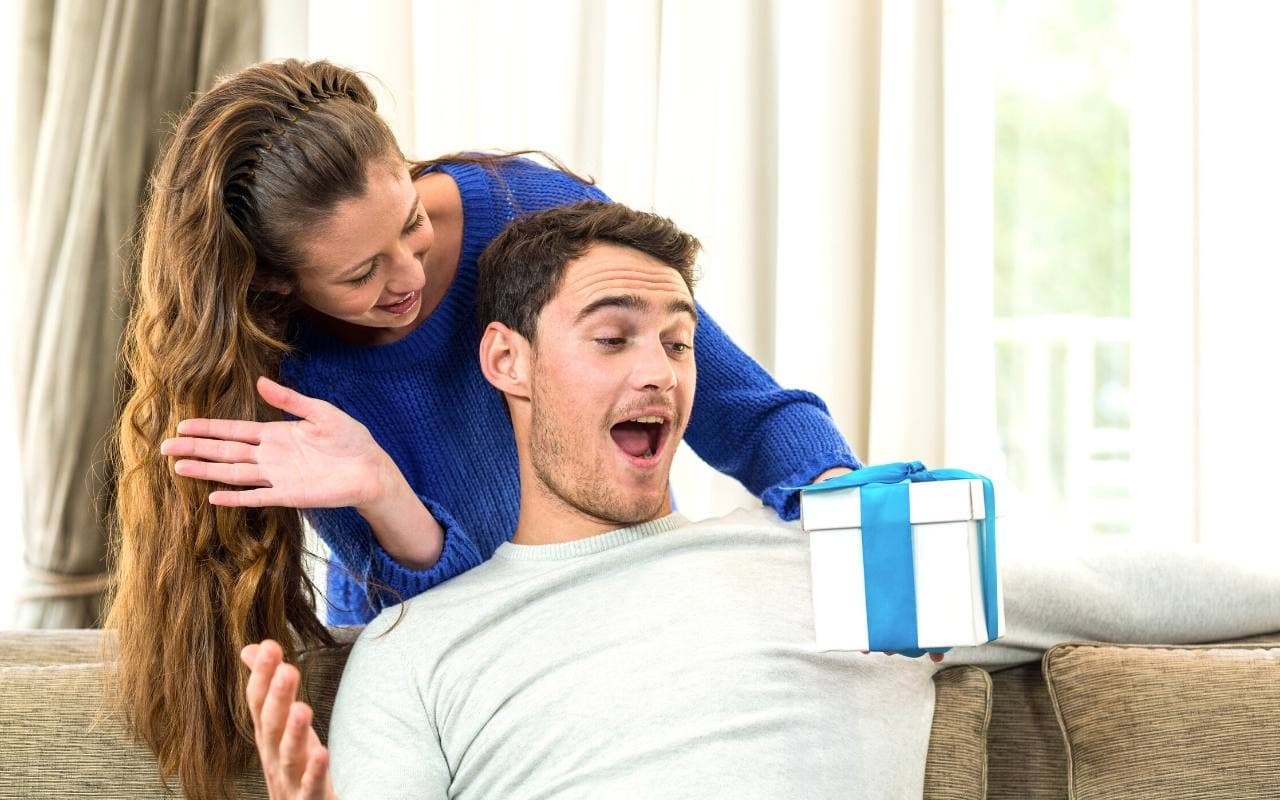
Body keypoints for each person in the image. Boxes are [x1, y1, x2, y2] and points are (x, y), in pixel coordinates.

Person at [240, 202, 1280, 799]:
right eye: (613, 337)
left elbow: (1121, 585)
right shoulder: (416, 648)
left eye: (678, 341)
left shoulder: (833, 557)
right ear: (507, 360)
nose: (659, 371)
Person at [106, 60, 859, 798]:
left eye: (413, 224)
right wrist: (382, 491)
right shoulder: (285, 370)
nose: (407, 276)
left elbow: (746, 408)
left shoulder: (523, 210)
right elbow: (463, 625)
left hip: (598, 589)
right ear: (278, 280)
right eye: (362, 274)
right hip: (433, 620)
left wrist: (856, 515)